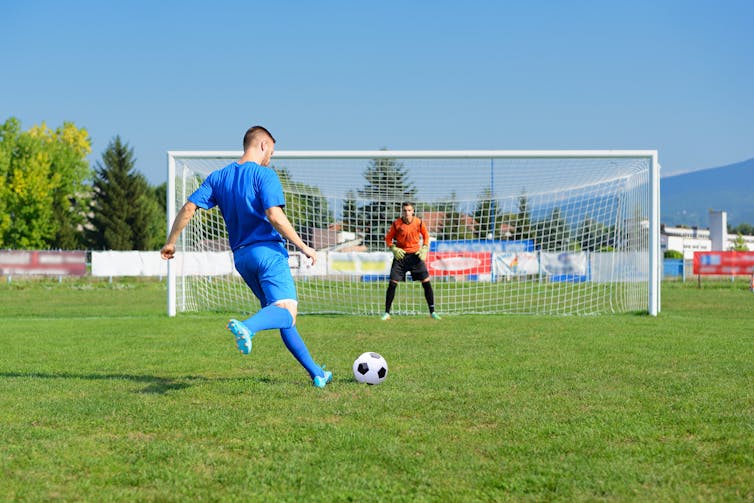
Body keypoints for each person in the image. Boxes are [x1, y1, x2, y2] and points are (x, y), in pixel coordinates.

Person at [161, 126, 332, 388]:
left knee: (280, 315)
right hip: (268, 254)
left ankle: (317, 373)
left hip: (242, 258)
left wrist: (171, 242)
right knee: (287, 313)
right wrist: (303, 246)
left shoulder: (218, 177)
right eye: (271, 152)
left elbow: (189, 207)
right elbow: (275, 215)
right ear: (262, 145)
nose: (270, 158)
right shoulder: (264, 174)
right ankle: (248, 327)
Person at [382, 202, 441, 320]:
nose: (407, 212)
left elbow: (426, 236)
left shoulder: (419, 222)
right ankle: (387, 313)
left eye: (409, 210)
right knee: (392, 283)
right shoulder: (396, 224)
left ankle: (432, 312)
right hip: (401, 256)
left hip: (415, 256)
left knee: (426, 282)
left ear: (413, 211)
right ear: (402, 212)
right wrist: (393, 248)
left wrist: (424, 247)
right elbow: (388, 238)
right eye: (404, 210)